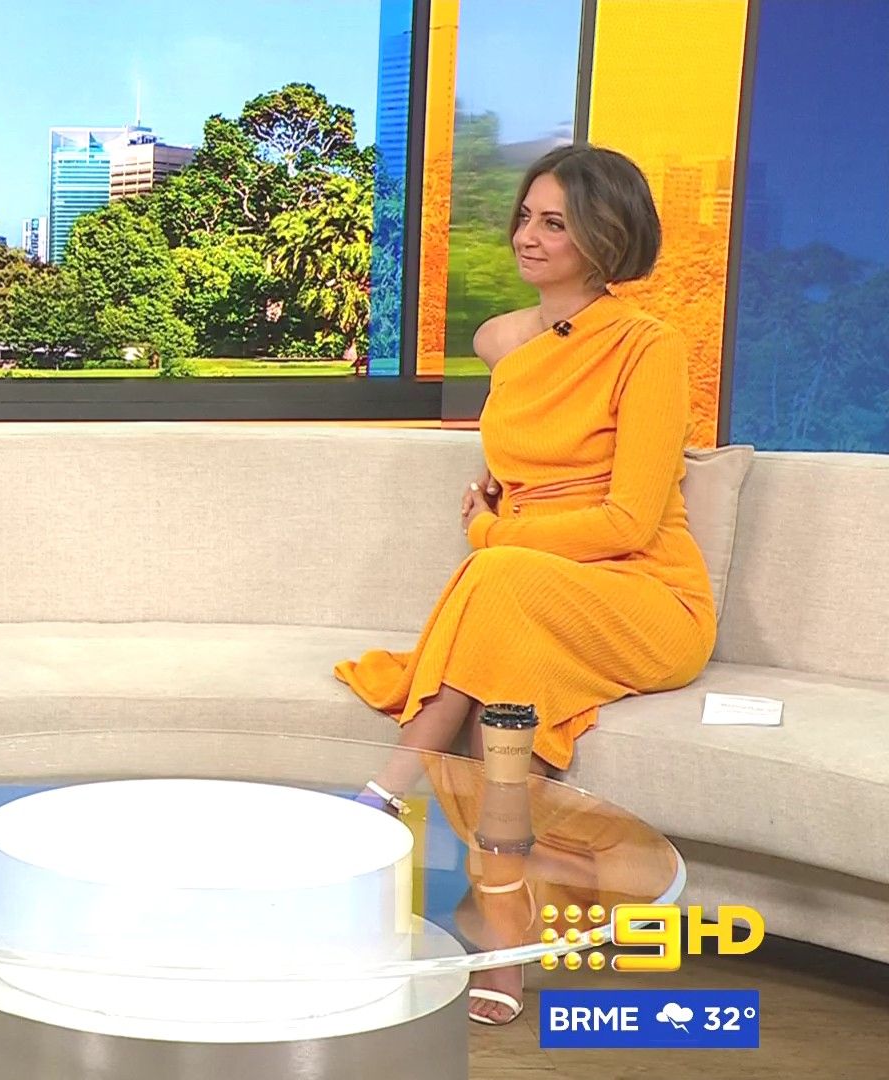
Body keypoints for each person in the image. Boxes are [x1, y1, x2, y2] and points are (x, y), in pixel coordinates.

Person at [333, 144, 716, 1026]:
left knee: (496, 572)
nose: (527, 237)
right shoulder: (502, 340)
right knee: (506, 672)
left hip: (645, 596)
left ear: (606, 239)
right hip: (534, 591)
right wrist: (508, 525)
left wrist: (493, 532)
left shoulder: (649, 347)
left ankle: (386, 793)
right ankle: (502, 927)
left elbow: (629, 521)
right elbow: (524, 463)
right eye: (525, 217)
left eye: (556, 224)